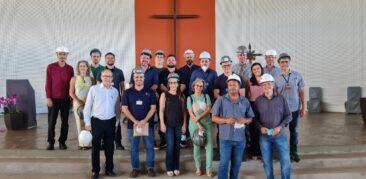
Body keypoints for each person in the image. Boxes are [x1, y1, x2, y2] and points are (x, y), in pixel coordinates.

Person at [211, 74, 254, 179]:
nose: (233, 87)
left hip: (240, 139)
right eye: (230, 85)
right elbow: (213, 118)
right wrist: (226, 120)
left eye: (235, 85)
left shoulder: (245, 101)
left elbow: (251, 118)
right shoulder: (221, 100)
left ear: (239, 86)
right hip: (225, 139)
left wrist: (245, 120)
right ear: (227, 86)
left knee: (237, 164)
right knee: (224, 164)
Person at [83, 69, 119, 179]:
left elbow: (117, 109)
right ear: (101, 77)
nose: (107, 78)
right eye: (105, 76)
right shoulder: (94, 89)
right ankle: (95, 171)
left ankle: (109, 169)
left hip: (110, 122)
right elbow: (87, 107)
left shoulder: (115, 91)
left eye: (109, 76)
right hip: (96, 122)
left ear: (112, 78)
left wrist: (116, 124)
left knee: (109, 147)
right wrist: (87, 123)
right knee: (95, 148)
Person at [255, 73, 292, 179]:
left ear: (273, 84)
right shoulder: (258, 101)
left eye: (269, 84)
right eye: (264, 85)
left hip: (280, 136)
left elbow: (288, 116)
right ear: (261, 87)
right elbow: (255, 119)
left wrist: (279, 127)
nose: (266, 87)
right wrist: (260, 128)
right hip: (264, 138)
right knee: (267, 163)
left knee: (285, 162)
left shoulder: (281, 99)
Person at [122, 67, 157, 178]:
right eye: (136, 77)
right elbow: (124, 109)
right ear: (133, 78)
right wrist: (135, 121)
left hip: (148, 125)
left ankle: (150, 168)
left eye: (141, 77)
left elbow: (153, 108)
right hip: (133, 125)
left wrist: (144, 121)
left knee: (150, 147)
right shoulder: (127, 92)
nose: (138, 79)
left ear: (144, 78)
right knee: (134, 148)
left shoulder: (150, 92)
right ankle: (135, 168)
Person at [275, 53, 305, 163]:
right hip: (281, 111)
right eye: (282, 62)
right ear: (279, 64)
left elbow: (301, 92)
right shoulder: (276, 78)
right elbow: (274, 95)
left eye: (286, 61)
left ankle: (294, 152)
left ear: (289, 62)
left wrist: (303, 107)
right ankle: (282, 153)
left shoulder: (297, 75)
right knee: (280, 132)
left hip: (294, 109)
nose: (284, 63)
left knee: (294, 131)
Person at [45, 46, 74, 150]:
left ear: (67, 56)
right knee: (51, 122)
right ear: (57, 55)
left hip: (65, 99)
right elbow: (48, 84)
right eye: (60, 54)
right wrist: (48, 97)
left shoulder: (70, 69)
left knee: (65, 122)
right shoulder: (50, 67)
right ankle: (51, 142)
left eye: (64, 54)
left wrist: (71, 99)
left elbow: (72, 85)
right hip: (53, 99)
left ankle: (62, 142)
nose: (62, 56)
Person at [159, 73, 187, 177]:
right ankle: (169, 167)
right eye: (171, 83)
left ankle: (176, 167)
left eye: (175, 83)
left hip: (179, 125)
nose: (173, 84)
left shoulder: (182, 96)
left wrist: (184, 124)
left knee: (177, 147)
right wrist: (162, 123)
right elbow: (161, 111)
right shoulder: (164, 95)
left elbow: (184, 112)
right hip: (168, 125)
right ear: (168, 84)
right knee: (170, 146)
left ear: (178, 84)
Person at [97, 52, 126, 150]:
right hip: (103, 101)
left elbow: (122, 86)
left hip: (116, 101)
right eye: (108, 58)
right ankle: (102, 142)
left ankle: (118, 142)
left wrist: (123, 100)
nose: (110, 59)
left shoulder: (119, 71)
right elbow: (98, 87)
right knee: (103, 121)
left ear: (114, 59)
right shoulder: (101, 71)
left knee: (117, 121)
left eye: (112, 58)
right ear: (105, 60)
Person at [187, 78, 214, 177]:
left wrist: (199, 118)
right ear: (193, 86)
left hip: (206, 124)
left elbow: (208, 110)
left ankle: (209, 169)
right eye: (197, 85)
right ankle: (198, 168)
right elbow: (190, 113)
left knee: (209, 146)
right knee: (196, 146)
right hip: (194, 125)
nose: (198, 87)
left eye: (201, 86)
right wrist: (198, 124)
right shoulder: (189, 98)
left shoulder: (206, 97)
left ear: (203, 87)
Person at [69, 60, 94, 149]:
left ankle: (89, 143)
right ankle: (82, 143)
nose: (83, 67)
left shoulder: (91, 79)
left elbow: (94, 92)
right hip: (78, 104)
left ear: (87, 67)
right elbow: (71, 93)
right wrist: (79, 102)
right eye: (81, 66)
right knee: (79, 123)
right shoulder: (74, 78)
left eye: (84, 66)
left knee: (88, 123)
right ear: (78, 68)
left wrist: (89, 103)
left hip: (89, 104)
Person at [179, 49, 199, 147]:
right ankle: (183, 138)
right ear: (184, 57)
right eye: (187, 56)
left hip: (196, 98)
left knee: (196, 117)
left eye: (190, 56)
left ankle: (197, 138)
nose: (189, 58)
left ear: (194, 56)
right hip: (184, 97)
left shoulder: (198, 69)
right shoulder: (180, 70)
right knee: (184, 117)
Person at [246, 62, 264, 160]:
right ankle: (254, 152)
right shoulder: (249, 81)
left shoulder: (266, 79)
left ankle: (263, 151)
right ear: (252, 71)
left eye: (258, 68)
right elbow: (246, 95)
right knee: (253, 130)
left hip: (264, 105)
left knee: (262, 129)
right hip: (252, 105)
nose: (256, 70)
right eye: (254, 69)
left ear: (261, 69)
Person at [154, 50, 167, 150]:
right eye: (157, 56)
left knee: (163, 119)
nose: (159, 58)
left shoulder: (166, 71)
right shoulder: (150, 69)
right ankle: (152, 141)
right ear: (155, 58)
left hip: (164, 99)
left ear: (164, 59)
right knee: (152, 120)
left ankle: (164, 140)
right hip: (151, 98)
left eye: (161, 57)